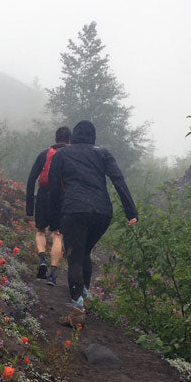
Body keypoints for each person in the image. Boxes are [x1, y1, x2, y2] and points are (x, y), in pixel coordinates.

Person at [47, 119, 138, 326]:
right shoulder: (103, 153)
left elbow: (53, 188)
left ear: (74, 136)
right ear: (93, 136)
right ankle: (83, 296)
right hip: (102, 213)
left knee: (75, 256)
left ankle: (77, 309)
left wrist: (54, 220)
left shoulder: (62, 154)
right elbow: (118, 180)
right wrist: (130, 211)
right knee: (85, 252)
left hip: (74, 209)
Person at [25, 126, 71, 284]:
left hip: (44, 195)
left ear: (55, 139)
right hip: (62, 198)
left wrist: (29, 206)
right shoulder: (71, 156)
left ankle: (42, 260)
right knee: (57, 234)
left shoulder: (45, 154)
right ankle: (52, 273)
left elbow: (31, 179)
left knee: (40, 230)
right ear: (69, 141)